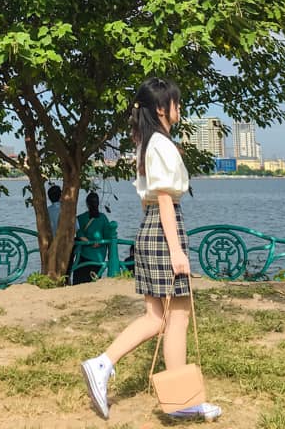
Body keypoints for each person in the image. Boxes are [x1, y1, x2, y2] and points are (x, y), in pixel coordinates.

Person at [80, 77, 221, 422]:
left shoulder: (148, 143)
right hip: (163, 228)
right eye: (175, 102)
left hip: (153, 227)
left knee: (159, 318)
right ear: (161, 108)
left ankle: (103, 365)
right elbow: (163, 199)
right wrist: (177, 251)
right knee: (177, 318)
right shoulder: (160, 144)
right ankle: (180, 400)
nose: (179, 108)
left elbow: (154, 200)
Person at [72, 191, 111, 285]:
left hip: (83, 256)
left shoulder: (80, 218)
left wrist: (87, 241)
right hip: (98, 258)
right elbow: (108, 236)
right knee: (95, 281)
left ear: (87, 204)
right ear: (98, 203)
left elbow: (78, 232)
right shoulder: (103, 218)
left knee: (79, 282)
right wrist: (99, 243)